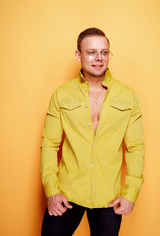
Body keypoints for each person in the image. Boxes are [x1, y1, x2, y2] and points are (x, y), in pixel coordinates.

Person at [40, 27, 144, 236]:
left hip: (109, 198)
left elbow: (135, 148)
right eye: (91, 52)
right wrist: (52, 190)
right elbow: (49, 144)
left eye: (104, 52)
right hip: (67, 195)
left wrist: (131, 193)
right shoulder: (61, 95)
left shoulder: (128, 97)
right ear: (78, 55)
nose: (99, 58)